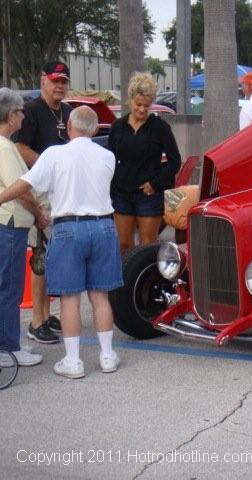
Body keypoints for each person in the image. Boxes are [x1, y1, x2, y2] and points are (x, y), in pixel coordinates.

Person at [0, 106, 123, 379]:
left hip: (68, 228)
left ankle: (73, 361)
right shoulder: (107, 156)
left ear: (69, 126)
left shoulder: (54, 154)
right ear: (94, 129)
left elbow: (25, 184)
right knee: (100, 296)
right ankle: (106, 356)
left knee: (69, 299)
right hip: (103, 226)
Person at [14, 60, 73, 344]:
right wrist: (49, 164)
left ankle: (48, 315)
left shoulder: (69, 111)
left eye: (63, 81)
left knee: (56, 258)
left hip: (63, 195)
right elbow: (19, 147)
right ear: (43, 81)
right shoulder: (32, 111)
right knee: (41, 258)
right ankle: (36, 321)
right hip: (39, 195)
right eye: (55, 80)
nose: (59, 85)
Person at [0, 88, 49, 367]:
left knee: (7, 286)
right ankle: (8, 348)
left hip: (9, 224)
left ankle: (9, 343)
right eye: (19, 111)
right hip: (10, 224)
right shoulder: (6, 147)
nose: (23, 116)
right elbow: (20, 189)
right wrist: (39, 213)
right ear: (10, 116)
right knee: (9, 288)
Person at [108, 72, 181, 253]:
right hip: (121, 193)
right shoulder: (117, 127)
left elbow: (175, 161)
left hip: (148, 195)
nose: (141, 109)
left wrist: (155, 184)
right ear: (130, 100)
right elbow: (109, 160)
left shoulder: (160, 127)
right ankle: (126, 281)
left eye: (146, 106)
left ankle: (147, 280)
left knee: (147, 245)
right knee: (123, 244)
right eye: (138, 104)